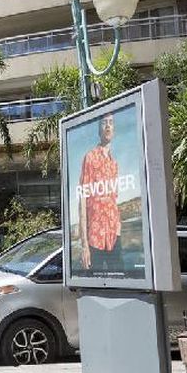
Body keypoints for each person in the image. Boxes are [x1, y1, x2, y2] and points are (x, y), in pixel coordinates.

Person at [77, 113, 124, 274]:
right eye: (104, 123)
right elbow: (83, 200)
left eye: (111, 122)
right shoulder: (90, 158)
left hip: (114, 236)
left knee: (120, 280)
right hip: (95, 237)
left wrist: (118, 228)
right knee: (94, 282)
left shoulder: (114, 164)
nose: (108, 126)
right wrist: (84, 245)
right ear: (99, 129)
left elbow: (114, 200)